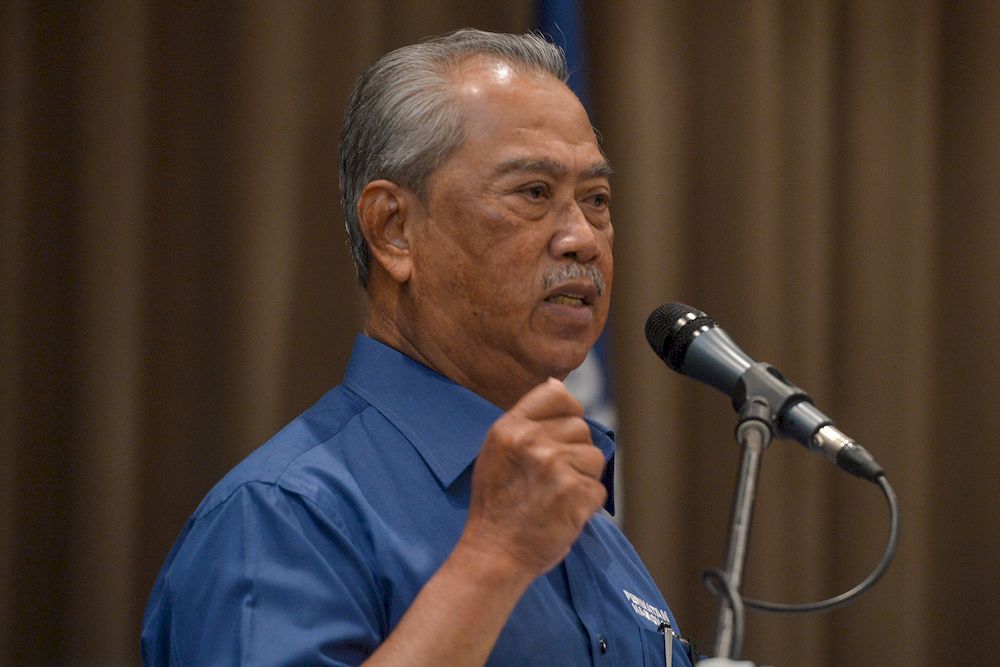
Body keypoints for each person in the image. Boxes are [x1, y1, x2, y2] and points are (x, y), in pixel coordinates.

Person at [141, 29, 695, 666]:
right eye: (534, 193)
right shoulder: (281, 516)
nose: (582, 239)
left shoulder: (586, 525)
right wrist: (492, 562)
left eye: (596, 201)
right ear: (394, 229)